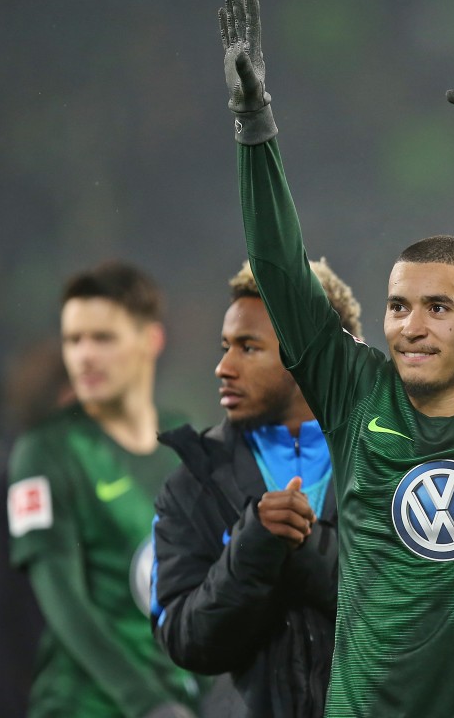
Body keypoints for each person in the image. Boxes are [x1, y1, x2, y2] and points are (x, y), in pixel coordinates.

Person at [214, 0, 454, 717]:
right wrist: (253, 125)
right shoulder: (356, 393)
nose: (411, 325)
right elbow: (283, 273)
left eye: (439, 307)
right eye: (397, 306)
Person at [151, 259, 362, 718]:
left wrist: (303, 546)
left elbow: (419, 619)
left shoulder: (394, 466)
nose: (223, 367)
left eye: (248, 348)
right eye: (225, 346)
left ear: (309, 353)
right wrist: (251, 547)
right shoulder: (192, 484)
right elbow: (186, 643)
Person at [7, 261, 203, 718]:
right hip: (86, 706)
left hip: (179, 701)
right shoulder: (45, 452)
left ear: (151, 340)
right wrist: (146, 703)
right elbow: (61, 599)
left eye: (103, 338)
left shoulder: (186, 441)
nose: (84, 356)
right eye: (74, 340)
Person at [0, 338, 74, 718]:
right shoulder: (32, 475)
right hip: (27, 694)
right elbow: (28, 599)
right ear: (66, 397)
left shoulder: (18, 462)